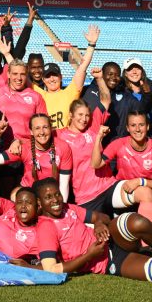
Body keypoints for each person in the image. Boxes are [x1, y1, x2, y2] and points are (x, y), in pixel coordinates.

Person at [34, 179, 152, 281]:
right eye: (48, 197)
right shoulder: (45, 228)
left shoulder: (69, 208)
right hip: (111, 261)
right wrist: (89, 256)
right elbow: (51, 270)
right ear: (39, 204)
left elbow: (103, 217)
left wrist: (99, 224)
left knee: (138, 223)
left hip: (114, 238)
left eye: (57, 194)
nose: (56, 200)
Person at [92, 111, 152, 261]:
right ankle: (146, 247)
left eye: (141, 125)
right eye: (133, 125)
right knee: (145, 191)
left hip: (146, 193)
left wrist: (140, 181)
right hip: (123, 193)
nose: (137, 129)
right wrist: (98, 138)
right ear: (127, 128)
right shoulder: (119, 144)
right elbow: (96, 164)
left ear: (147, 127)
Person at [59, 75, 115, 214]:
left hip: (108, 185)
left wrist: (100, 78)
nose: (84, 119)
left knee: (141, 193)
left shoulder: (93, 126)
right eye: (80, 115)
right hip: (86, 196)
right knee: (98, 233)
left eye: (87, 115)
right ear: (71, 115)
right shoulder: (59, 136)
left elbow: (106, 99)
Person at [33, 25, 100, 129]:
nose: (51, 79)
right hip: (46, 141)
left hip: (66, 142)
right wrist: (7, 54)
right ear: (43, 80)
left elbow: (82, 68)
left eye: (54, 75)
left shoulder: (70, 92)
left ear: (61, 77)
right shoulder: (40, 95)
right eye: (47, 76)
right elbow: (19, 73)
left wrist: (91, 45)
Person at [0, 114, 72, 200]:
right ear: (31, 132)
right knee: (15, 195)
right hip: (30, 192)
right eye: (37, 128)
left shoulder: (63, 147)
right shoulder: (24, 147)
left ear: (51, 128)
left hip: (51, 193)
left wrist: (62, 207)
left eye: (45, 127)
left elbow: (64, 185)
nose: (42, 132)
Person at [108, 58, 152, 143]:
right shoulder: (118, 91)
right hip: (127, 139)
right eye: (130, 69)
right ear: (125, 73)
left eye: (137, 68)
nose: (134, 72)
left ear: (142, 71)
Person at [0, 60, 48, 143]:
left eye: (22, 74)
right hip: (1, 146)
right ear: (8, 74)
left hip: (27, 147)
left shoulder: (36, 96)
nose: (19, 78)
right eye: (15, 74)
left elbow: (44, 125)